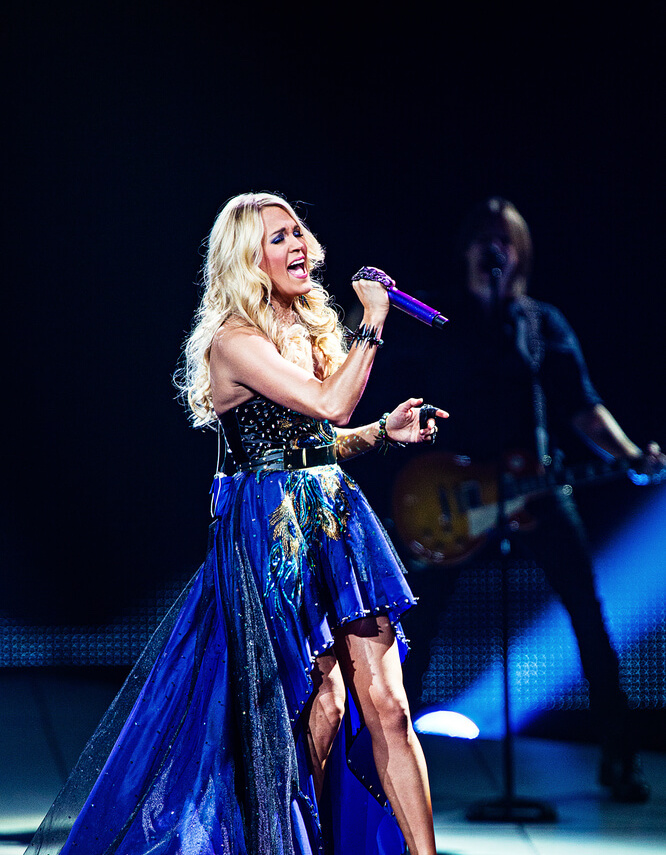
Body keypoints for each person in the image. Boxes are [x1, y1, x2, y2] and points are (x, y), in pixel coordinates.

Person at [25, 192, 446, 855]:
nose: (297, 245)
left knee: (388, 705)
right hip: (271, 535)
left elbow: (321, 441)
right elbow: (327, 404)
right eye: (277, 238)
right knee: (318, 709)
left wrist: (384, 433)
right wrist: (374, 321)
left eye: (298, 231)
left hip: (335, 519)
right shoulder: (233, 339)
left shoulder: (307, 328)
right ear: (247, 259)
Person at [396, 196, 665, 804]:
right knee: (420, 624)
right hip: (455, 500)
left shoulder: (542, 325)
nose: (495, 251)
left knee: (589, 619)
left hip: (534, 489)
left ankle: (619, 759)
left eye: (505, 241)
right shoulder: (445, 325)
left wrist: (628, 456)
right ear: (467, 250)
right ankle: (385, 766)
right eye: (484, 241)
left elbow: (583, 407)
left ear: (519, 253)